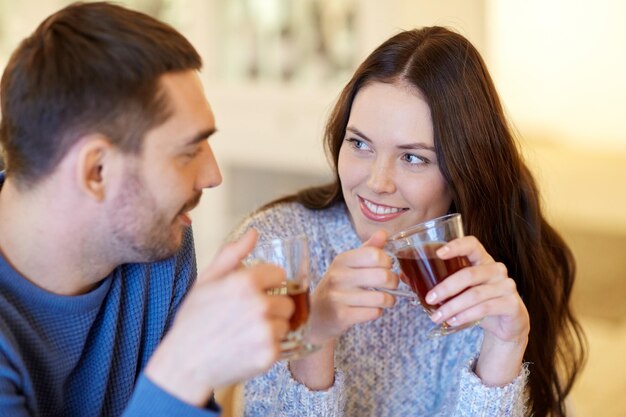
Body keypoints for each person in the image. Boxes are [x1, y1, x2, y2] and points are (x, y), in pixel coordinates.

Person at [231, 26, 587, 416]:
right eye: (360, 144)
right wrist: (313, 335)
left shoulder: (504, 262)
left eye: (413, 157)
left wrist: (503, 351)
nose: (377, 183)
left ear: (464, 169)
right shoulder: (273, 249)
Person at [0, 2, 294, 416]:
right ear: (96, 171)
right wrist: (184, 365)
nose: (212, 175)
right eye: (188, 151)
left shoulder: (156, 244)